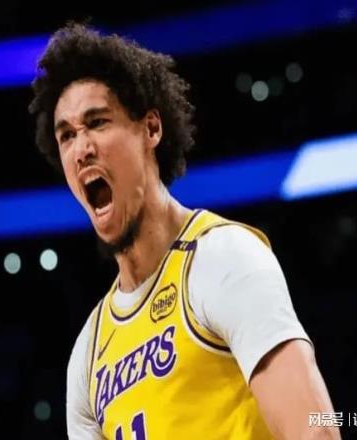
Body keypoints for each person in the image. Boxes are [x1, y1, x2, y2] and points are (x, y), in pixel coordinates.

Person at [29, 21, 340, 440]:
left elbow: (315, 429)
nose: (81, 149)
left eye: (98, 122)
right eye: (66, 135)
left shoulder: (222, 258)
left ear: (151, 129)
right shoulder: (88, 354)